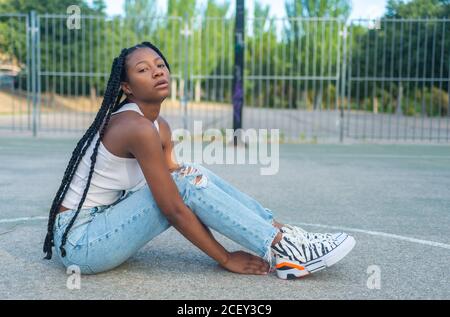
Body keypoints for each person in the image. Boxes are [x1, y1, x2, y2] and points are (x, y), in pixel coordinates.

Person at [42, 41, 355, 280]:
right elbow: (174, 207)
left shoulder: (158, 127)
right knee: (184, 183)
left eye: (160, 64)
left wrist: (191, 181)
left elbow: (185, 182)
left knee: (193, 172)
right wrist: (224, 258)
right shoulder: (134, 127)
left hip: (105, 222)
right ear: (126, 87)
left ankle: (285, 236)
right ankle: (284, 247)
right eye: (143, 70)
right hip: (83, 242)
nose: (157, 71)